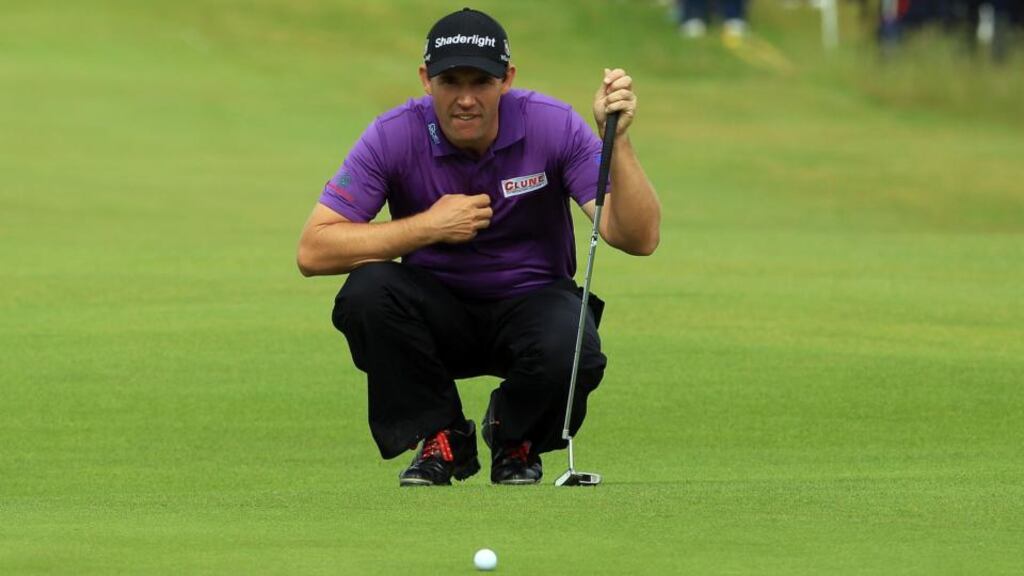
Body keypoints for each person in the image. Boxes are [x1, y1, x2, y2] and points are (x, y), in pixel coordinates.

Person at [297, 8, 660, 487]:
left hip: (534, 303)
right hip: (436, 311)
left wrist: (620, 142)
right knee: (367, 291)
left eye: (481, 82)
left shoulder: (552, 125)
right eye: (450, 81)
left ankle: (514, 437)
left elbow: (636, 237)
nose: (465, 99)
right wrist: (429, 226)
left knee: (573, 342)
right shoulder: (394, 134)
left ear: (506, 79)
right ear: (426, 80)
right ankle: (441, 437)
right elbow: (313, 250)